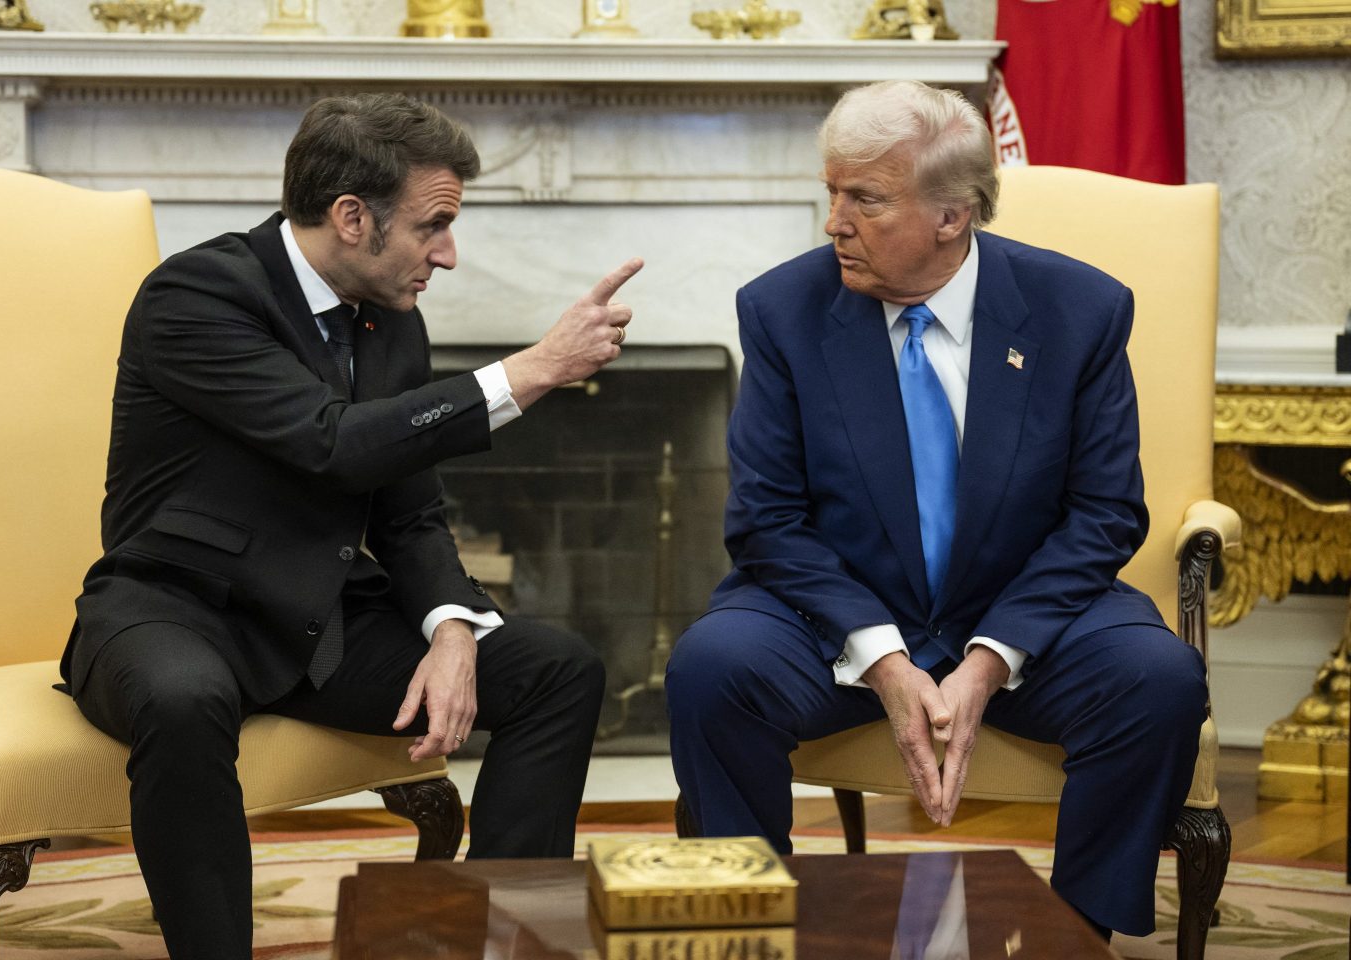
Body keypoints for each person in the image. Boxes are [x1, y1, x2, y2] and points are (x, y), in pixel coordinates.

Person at [61, 92, 640, 959]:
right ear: (351, 217)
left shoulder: (390, 319)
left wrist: (450, 627)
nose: (447, 255)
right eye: (433, 226)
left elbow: (410, 513)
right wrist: (533, 370)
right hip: (174, 609)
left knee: (555, 671)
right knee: (184, 699)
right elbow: (332, 444)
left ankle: (503, 941)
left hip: (320, 622)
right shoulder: (197, 292)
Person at [665, 80, 1207, 941]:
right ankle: (741, 926)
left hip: (1022, 608)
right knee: (711, 667)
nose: (834, 220)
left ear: (952, 215)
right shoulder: (782, 309)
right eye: (830, 191)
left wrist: (990, 657)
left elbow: (1104, 513)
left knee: (1159, 682)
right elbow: (766, 519)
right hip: (835, 613)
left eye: (865, 199)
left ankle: (1074, 936)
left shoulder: (1080, 311)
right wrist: (883, 657)